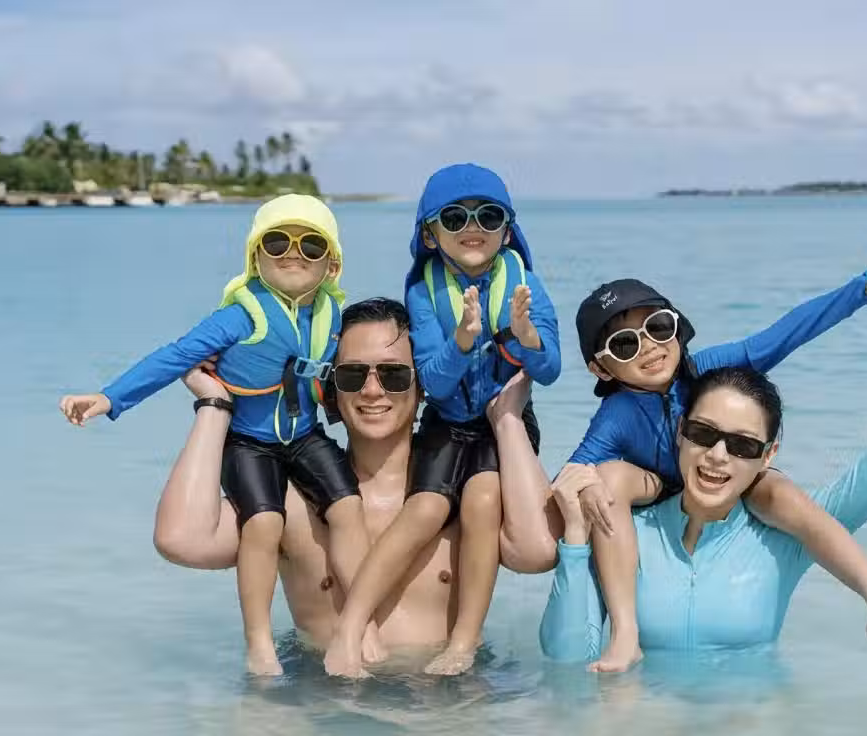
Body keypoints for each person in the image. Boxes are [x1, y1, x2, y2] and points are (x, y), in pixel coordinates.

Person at [539, 264, 867, 662]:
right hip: (642, 706)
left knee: (779, 494)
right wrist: (574, 535)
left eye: (743, 445)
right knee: (605, 479)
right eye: (703, 433)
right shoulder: (619, 533)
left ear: (770, 454)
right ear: (681, 430)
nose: (718, 455)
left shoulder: (792, 532)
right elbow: (566, 662)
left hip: (758, 707)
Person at [58, 194, 375, 675]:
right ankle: (259, 643)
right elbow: (175, 356)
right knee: (263, 523)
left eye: (310, 245)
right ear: (255, 257)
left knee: (349, 507)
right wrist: (109, 398)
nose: (293, 253)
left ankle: (361, 623)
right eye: (277, 242)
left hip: (305, 435)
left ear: (331, 264)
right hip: (249, 442)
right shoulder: (241, 316)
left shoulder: (333, 316)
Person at [152, 298, 554, 671]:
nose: (373, 390)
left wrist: (508, 420)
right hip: (327, 702)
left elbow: (538, 551)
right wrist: (215, 406)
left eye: (394, 375)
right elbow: (181, 540)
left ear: (423, 387)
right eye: (351, 375)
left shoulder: (465, 493)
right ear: (329, 389)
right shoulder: (295, 501)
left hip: (447, 703)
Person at [323, 164, 561, 678]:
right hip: (448, 419)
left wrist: (526, 337)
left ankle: (463, 642)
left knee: (482, 499)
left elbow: (551, 370)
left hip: (503, 420)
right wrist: (463, 341)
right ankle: (352, 625)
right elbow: (433, 379)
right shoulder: (422, 292)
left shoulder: (525, 286)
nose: (472, 227)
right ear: (430, 234)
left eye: (488, 216)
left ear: (507, 230)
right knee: (426, 507)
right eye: (454, 218)